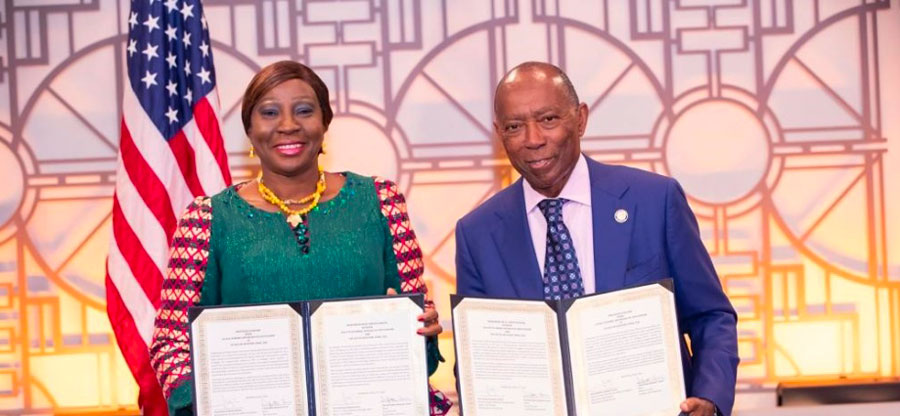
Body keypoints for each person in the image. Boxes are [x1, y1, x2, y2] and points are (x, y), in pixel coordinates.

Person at [149, 60, 452, 415]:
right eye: (270, 112)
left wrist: (423, 328)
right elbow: (171, 343)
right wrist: (213, 403)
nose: (288, 125)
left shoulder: (382, 202)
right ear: (249, 128)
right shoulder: (208, 219)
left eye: (304, 111)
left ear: (325, 122)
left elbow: (417, 323)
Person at [454, 62, 739, 416]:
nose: (533, 139)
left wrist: (710, 398)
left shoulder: (653, 200)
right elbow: (479, 359)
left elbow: (711, 315)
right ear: (500, 134)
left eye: (548, 119)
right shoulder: (477, 233)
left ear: (580, 119)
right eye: (514, 126)